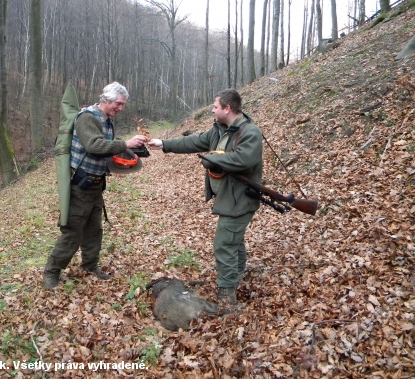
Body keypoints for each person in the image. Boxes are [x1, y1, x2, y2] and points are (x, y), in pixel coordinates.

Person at [147, 89, 262, 310]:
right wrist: (163, 143)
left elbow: (244, 160)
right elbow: (194, 142)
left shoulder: (250, 132)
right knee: (233, 239)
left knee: (224, 244)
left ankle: (227, 297)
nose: (212, 109)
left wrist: (212, 160)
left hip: (240, 199)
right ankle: (237, 275)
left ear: (227, 109)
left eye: (215, 106)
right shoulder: (219, 131)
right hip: (229, 197)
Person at [43, 82, 148, 290]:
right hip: (80, 186)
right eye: (118, 103)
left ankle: (90, 266)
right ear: (106, 100)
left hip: (96, 185)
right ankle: (51, 272)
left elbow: (108, 145)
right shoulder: (87, 118)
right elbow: (95, 145)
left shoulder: (107, 120)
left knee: (94, 230)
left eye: (123, 105)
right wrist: (126, 144)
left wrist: (132, 153)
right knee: (72, 232)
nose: (120, 108)